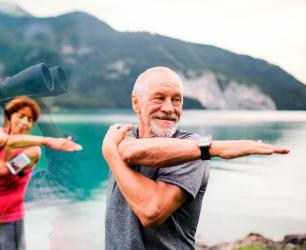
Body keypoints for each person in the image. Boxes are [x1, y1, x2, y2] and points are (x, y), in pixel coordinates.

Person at [102, 67, 289, 250]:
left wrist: (111, 156)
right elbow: (129, 152)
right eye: (159, 98)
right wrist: (216, 148)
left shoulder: (193, 152)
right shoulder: (123, 132)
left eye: (177, 100)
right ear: (136, 103)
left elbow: (151, 211)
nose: (169, 108)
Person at [0, 96, 82, 250]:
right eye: (19, 117)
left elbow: (4, 172)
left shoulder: (31, 152)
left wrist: (48, 127)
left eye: (29, 119)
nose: (24, 123)